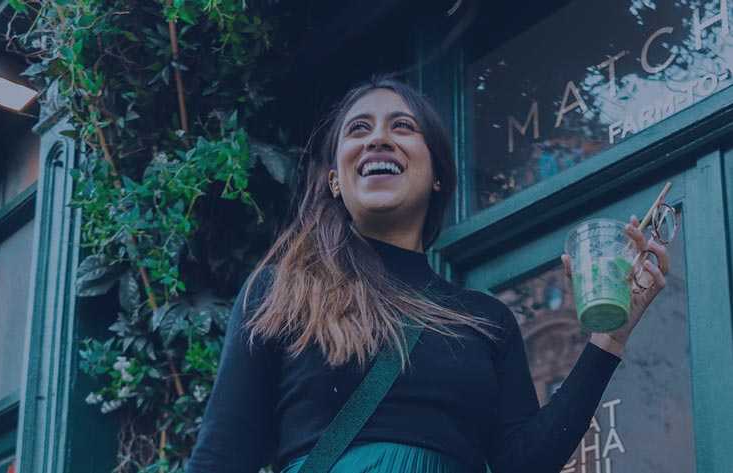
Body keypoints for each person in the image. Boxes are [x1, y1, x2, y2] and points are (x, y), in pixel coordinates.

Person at [185, 75, 669, 473]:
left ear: (437, 172)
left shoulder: (487, 319)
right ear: (335, 178)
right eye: (357, 129)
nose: (378, 137)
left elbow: (525, 465)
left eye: (402, 126)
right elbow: (220, 461)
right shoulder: (277, 293)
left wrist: (611, 336)